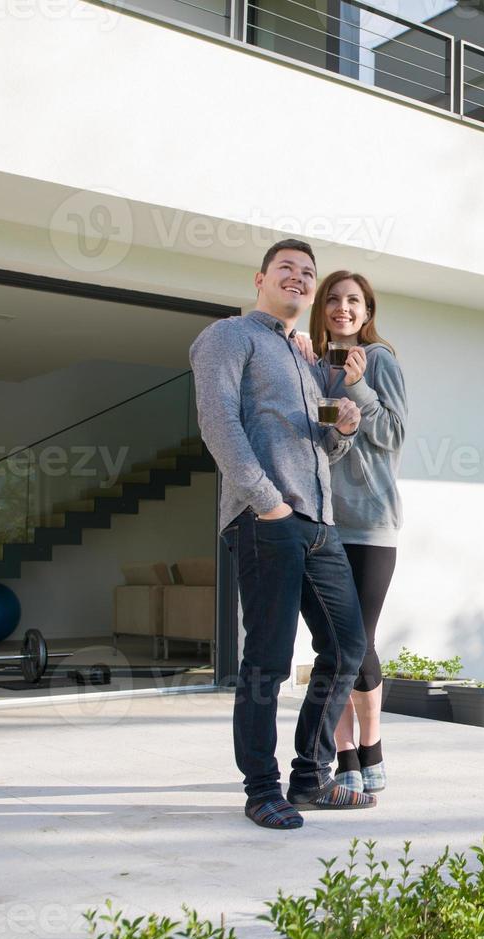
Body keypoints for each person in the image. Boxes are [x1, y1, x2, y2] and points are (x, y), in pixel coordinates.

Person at [189, 239, 377, 831]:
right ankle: (261, 789)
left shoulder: (304, 357)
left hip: (319, 524)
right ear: (260, 279)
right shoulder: (227, 336)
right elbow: (218, 422)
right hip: (265, 519)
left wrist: (343, 423)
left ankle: (309, 775)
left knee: (347, 648)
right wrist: (266, 502)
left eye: (307, 272)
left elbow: (322, 444)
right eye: (286, 269)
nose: (298, 278)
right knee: (267, 660)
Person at [306, 271, 407, 795]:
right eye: (334, 300)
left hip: (370, 523)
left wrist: (357, 384)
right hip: (322, 522)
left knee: (360, 640)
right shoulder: (309, 366)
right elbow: (318, 443)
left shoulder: (381, 360)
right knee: (332, 644)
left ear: (367, 311)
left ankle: (372, 746)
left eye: (354, 301)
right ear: (322, 309)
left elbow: (393, 434)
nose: (343, 308)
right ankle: (343, 754)